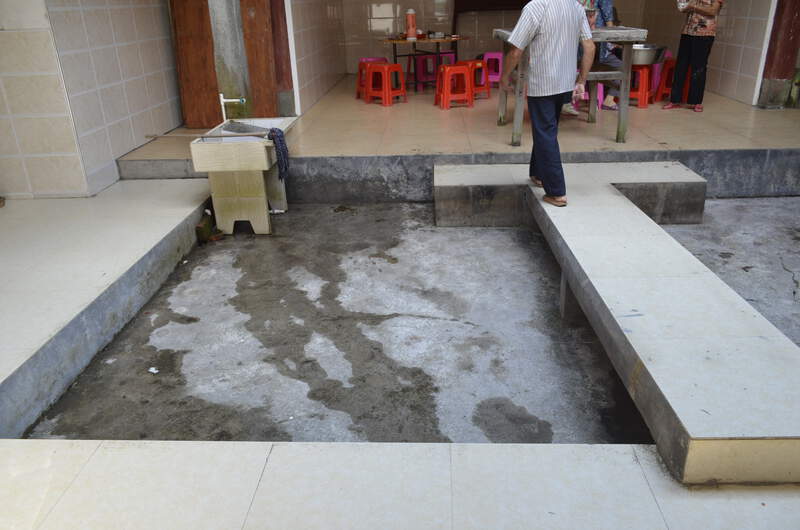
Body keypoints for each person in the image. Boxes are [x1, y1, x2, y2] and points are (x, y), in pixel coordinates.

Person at [501, 0, 595, 207]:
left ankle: (556, 192)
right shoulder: (576, 7)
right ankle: (538, 173)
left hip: (543, 82)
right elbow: (589, 47)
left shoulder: (536, 7)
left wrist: (504, 76)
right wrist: (581, 81)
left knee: (545, 132)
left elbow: (516, 50)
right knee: (546, 128)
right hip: (565, 82)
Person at [664, 0, 724, 112]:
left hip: (705, 33)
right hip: (687, 31)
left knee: (699, 67)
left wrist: (693, 6)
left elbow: (713, 11)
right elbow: (682, 7)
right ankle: (674, 100)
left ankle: (696, 102)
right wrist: (687, 5)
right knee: (681, 65)